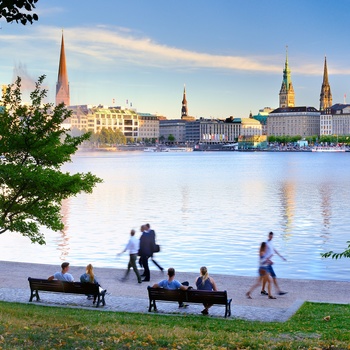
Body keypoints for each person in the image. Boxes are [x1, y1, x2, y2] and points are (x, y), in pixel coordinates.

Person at [261, 231, 287, 296]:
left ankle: (263, 290)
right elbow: (263, 253)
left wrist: (281, 257)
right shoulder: (266, 243)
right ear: (268, 236)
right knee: (273, 277)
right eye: (270, 236)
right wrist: (268, 260)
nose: (271, 237)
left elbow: (274, 250)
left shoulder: (271, 243)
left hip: (268, 263)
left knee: (265, 277)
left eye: (272, 236)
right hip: (267, 263)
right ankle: (278, 291)